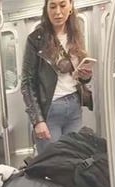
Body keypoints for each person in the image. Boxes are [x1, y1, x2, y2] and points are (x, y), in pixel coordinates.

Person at [20, 0, 94, 153]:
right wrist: (38, 120)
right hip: (50, 110)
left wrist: (85, 76)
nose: (58, 12)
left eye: (62, 5)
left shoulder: (75, 35)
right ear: (46, 9)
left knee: (73, 158)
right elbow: (27, 83)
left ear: (71, 6)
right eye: (52, 6)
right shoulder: (36, 39)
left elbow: (78, 77)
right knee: (52, 164)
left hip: (74, 105)